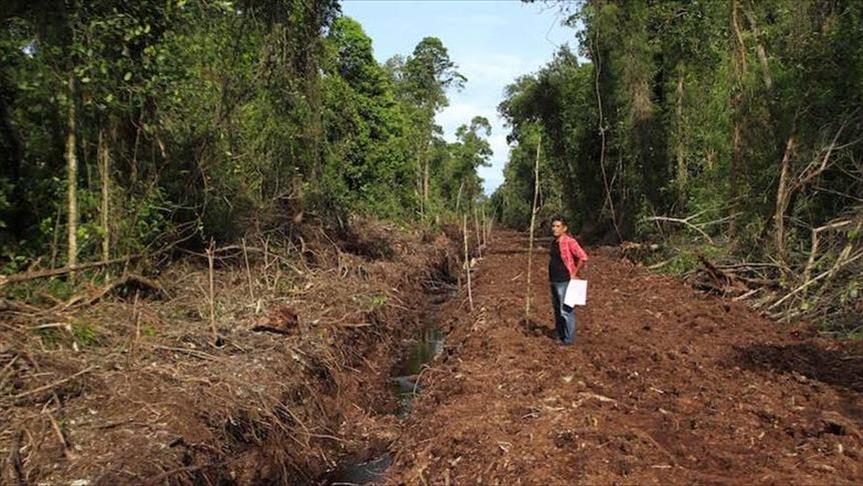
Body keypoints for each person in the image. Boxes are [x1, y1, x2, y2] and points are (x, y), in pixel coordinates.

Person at [548, 215, 588, 345]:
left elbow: (583, 257)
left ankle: (568, 339)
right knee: (557, 310)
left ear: (564, 228)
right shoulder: (554, 242)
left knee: (565, 310)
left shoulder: (569, 241)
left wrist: (574, 273)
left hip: (565, 280)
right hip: (554, 279)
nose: (554, 229)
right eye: (553, 226)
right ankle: (560, 335)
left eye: (558, 226)